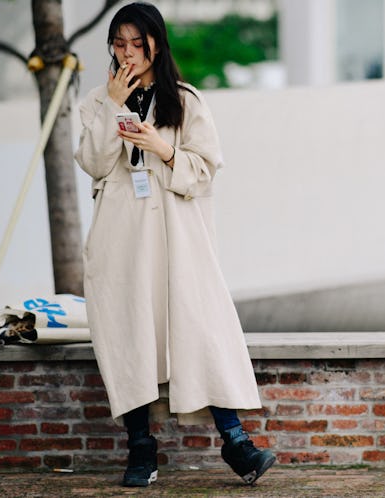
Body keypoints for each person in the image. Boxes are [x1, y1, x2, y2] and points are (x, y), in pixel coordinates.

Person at [74, 2, 275, 487]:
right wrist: (114, 106)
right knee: (131, 337)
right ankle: (141, 450)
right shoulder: (97, 101)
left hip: (178, 239)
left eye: (136, 44)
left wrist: (160, 146)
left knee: (198, 330)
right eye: (118, 44)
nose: (127, 53)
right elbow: (94, 163)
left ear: (155, 45)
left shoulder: (185, 100)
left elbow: (204, 171)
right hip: (122, 240)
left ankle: (237, 444)